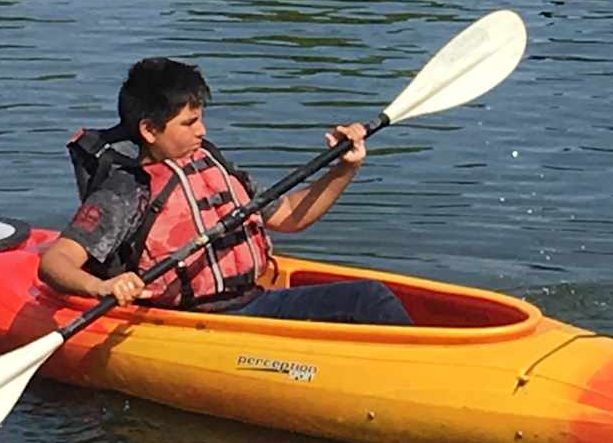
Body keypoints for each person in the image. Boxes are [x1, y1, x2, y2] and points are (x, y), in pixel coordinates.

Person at [38, 57, 412, 325]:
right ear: (149, 131)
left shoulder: (211, 166)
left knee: (370, 295)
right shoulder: (128, 190)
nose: (202, 131)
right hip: (200, 322)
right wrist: (103, 286)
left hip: (253, 303)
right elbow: (54, 262)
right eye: (189, 122)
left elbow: (290, 216)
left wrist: (346, 168)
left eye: (201, 119)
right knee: (369, 298)